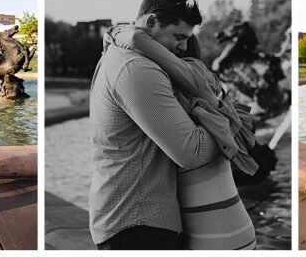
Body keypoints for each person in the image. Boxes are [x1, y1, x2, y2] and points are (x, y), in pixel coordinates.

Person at [88, 0, 223, 250]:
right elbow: (191, 152)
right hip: (138, 225)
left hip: (130, 220)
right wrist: (228, 125)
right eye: (178, 37)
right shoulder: (136, 69)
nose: (183, 48)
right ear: (151, 23)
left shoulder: (121, 54)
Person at [104, 24, 259, 250]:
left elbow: (138, 42)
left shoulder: (179, 90)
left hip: (211, 237)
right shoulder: (209, 92)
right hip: (234, 227)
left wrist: (116, 34)